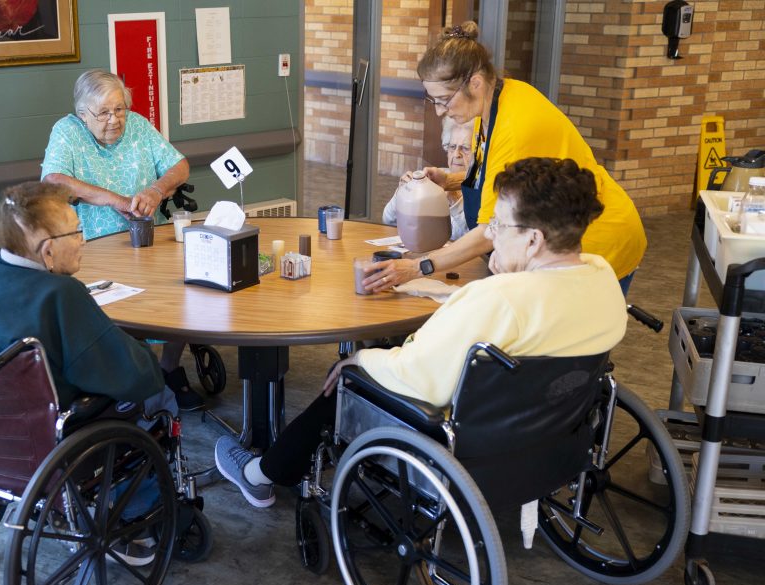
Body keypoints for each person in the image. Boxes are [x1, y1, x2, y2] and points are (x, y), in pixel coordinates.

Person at [215, 157, 628, 507]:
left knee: (347, 378)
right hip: (548, 433)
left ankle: (260, 472)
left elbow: (419, 375)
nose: (491, 237)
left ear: (534, 240)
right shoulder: (602, 277)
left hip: (467, 438)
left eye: (498, 227)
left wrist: (360, 359)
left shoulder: (497, 298)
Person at [0, 181, 170, 564]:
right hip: (43, 436)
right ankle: (135, 514)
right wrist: (149, 356)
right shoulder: (60, 295)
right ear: (47, 250)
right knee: (161, 397)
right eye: (77, 231)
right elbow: (132, 375)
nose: (82, 240)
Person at [362, 22, 646, 296]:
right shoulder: (491, 103)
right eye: (433, 100)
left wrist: (416, 267)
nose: (439, 112)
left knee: (575, 340)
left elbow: (489, 230)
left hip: (597, 236)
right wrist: (451, 179)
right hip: (551, 232)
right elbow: (496, 174)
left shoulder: (514, 126)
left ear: (474, 82)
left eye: (444, 100)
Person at [41, 68, 202, 410]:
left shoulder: (139, 126)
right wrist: (114, 199)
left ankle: (169, 367)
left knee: (187, 295)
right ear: (82, 114)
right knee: (118, 319)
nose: (114, 119)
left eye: (120, 109)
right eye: (103, 113)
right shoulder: (67, 132)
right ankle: (128, 382)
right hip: (91, 248)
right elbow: (54, 180)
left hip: (146, 240)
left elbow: (180, 166)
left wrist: (158, 189)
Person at [382, 116, 476, 242]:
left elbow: (473, 236)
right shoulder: (434, 176)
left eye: (465, 148)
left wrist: (452, 197)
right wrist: (402, 194)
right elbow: (388, 220)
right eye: (452, 147)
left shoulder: (480, 187)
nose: (456, 154)